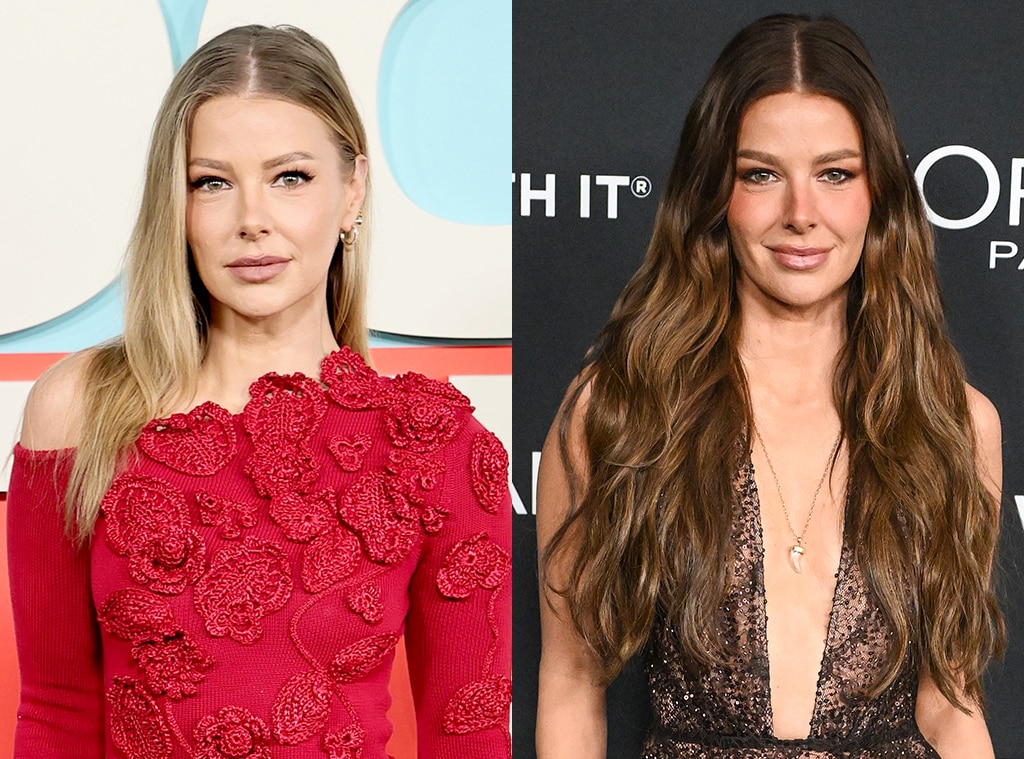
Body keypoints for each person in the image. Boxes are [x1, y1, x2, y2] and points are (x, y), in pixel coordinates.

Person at [7, 24, 511, 759]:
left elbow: (467, 737)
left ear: (352, 190)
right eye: (212, 182)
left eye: (290, 177)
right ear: (176, 206)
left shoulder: (437, 447)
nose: (252, 221)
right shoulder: (80, 408)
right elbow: (56, 713)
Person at [536, 14, 1003, 759]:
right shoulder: (619, 409)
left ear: (877, 192)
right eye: (761, 174)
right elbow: (570, 684)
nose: (800, 215)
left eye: (835, 174)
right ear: (715, 191)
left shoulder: (952, 423)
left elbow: (951, 706)